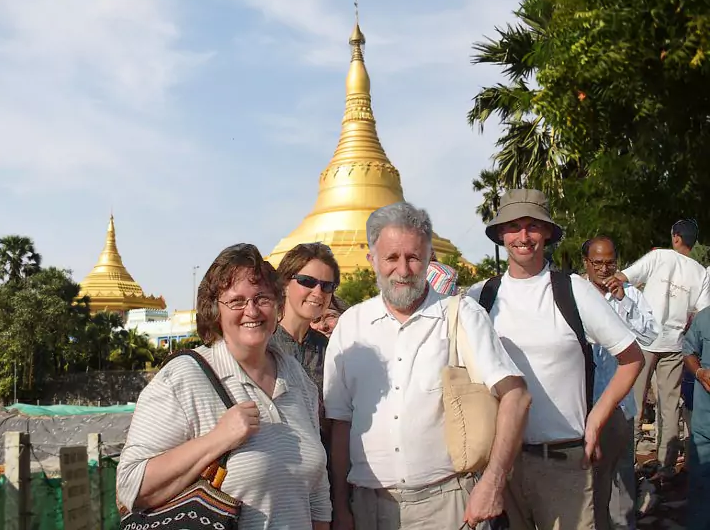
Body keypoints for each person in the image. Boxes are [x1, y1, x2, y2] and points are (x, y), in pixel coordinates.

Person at [324, 201, 531, 530]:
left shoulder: (461, 316)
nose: (403, 270)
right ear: (372, 260)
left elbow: (516, 396)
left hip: (446, 505)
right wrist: (339, 507)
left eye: (413, 257)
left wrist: (493, 482)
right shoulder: (352, 326)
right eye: (392, 258)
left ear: (429, 258)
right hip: (366, 507)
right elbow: (340, 423)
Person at [116, 243, 331, 529]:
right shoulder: (181, 379)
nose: (252, 310)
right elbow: (131, 487)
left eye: (262, 298)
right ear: (214, 310)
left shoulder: (297, 378)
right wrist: (217, 439)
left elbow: (316, 491)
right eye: (237, 301)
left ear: (278, 304)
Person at [467, 189, 644, 530]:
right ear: (501, 234)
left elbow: (631, 357)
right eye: (514, 226)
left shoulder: (572, 290)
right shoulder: (480, 297)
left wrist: (596, 419)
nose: (523, 236)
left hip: (566, 462)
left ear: (546, 232)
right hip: (505, 465)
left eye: (532, 226)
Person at [608, 219, 710, 476]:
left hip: (644, 341)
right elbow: (701, 313)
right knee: (669, 405)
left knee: (634, 403)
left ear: (675, 237)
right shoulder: (700, 272)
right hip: (675, 345)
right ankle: (666, 467)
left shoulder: (660, 257)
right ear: (692, 241)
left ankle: (628, 463)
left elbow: (623, 277)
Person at [582, 237, 658, 530]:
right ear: (587, 263)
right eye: (597, 263)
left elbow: (652, 336)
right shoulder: (575, 296)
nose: (604, 269)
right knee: (592, 483)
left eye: (610, 262)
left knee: (623, 477)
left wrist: (624, 302)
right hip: (587, 403)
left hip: (622, 403)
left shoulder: (632, 297)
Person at [272, 242, 340, 392]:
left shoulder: (328, 350)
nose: (318, 292)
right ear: (285, 284)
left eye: (327, 286)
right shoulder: (264, 344)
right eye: (307, 282)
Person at [682, 306, 710, 530]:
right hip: (705, 423)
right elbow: (688, 350)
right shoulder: (705, 317)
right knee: (700, 483)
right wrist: (700, 373)